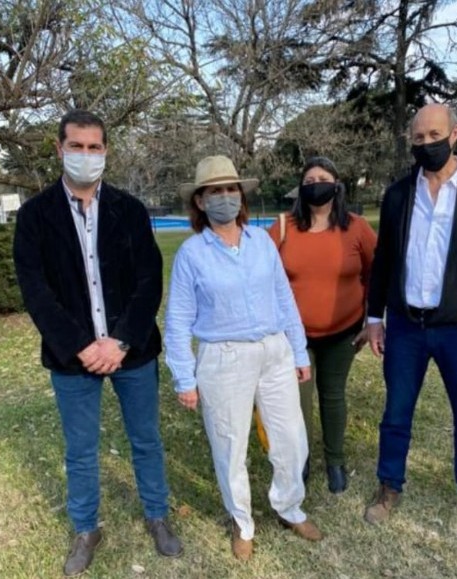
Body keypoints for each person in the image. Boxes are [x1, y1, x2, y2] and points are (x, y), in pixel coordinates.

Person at [13, 109, 182, 576]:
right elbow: (36, 290)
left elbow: (149, 280)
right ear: (59, 149)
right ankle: (86, 528)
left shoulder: (129, 210)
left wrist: (120, 341)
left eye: (94, 147)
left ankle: (157, 515)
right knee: (80, 450)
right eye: (76, 146)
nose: (85, 155)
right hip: (73, 358)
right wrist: (82, 346)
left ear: (105, 151)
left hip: (132, 352)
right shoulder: (34, 216)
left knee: (146, 440)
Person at [363, 103, 457, 534]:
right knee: (396, 412)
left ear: (454, 134)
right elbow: (384, 261)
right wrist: (375, 317)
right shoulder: (398, 194)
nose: (426, 144)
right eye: (418, 139)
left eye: (434, 135)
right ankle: (389, 485)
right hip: (408, 327)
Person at [164, 155, 323, 561]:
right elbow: (178, 321)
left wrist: (299, 350)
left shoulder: (262, 243)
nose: (225, 197)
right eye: (215, 191)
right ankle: (242, 522)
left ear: (242, 196)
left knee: (291, 437)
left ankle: (289, 506)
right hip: (224, 357)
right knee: (230, 444)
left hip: (274, 351)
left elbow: (284, 299)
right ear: (200, 202)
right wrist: (184, 377)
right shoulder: (192, 255)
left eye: (231, 189)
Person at [267, 156, 376, 494]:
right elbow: (261, 277)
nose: (316, 183)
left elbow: (377, 275)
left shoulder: (356, 227)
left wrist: (373, 320)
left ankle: (335, 461)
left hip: (344, 332)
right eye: (310, 179)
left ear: (337, 184)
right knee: (298, 401)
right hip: (293, 338)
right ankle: (300, 461)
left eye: (323, 177)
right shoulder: (284, 227)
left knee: (333, 396)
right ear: (301, 187)